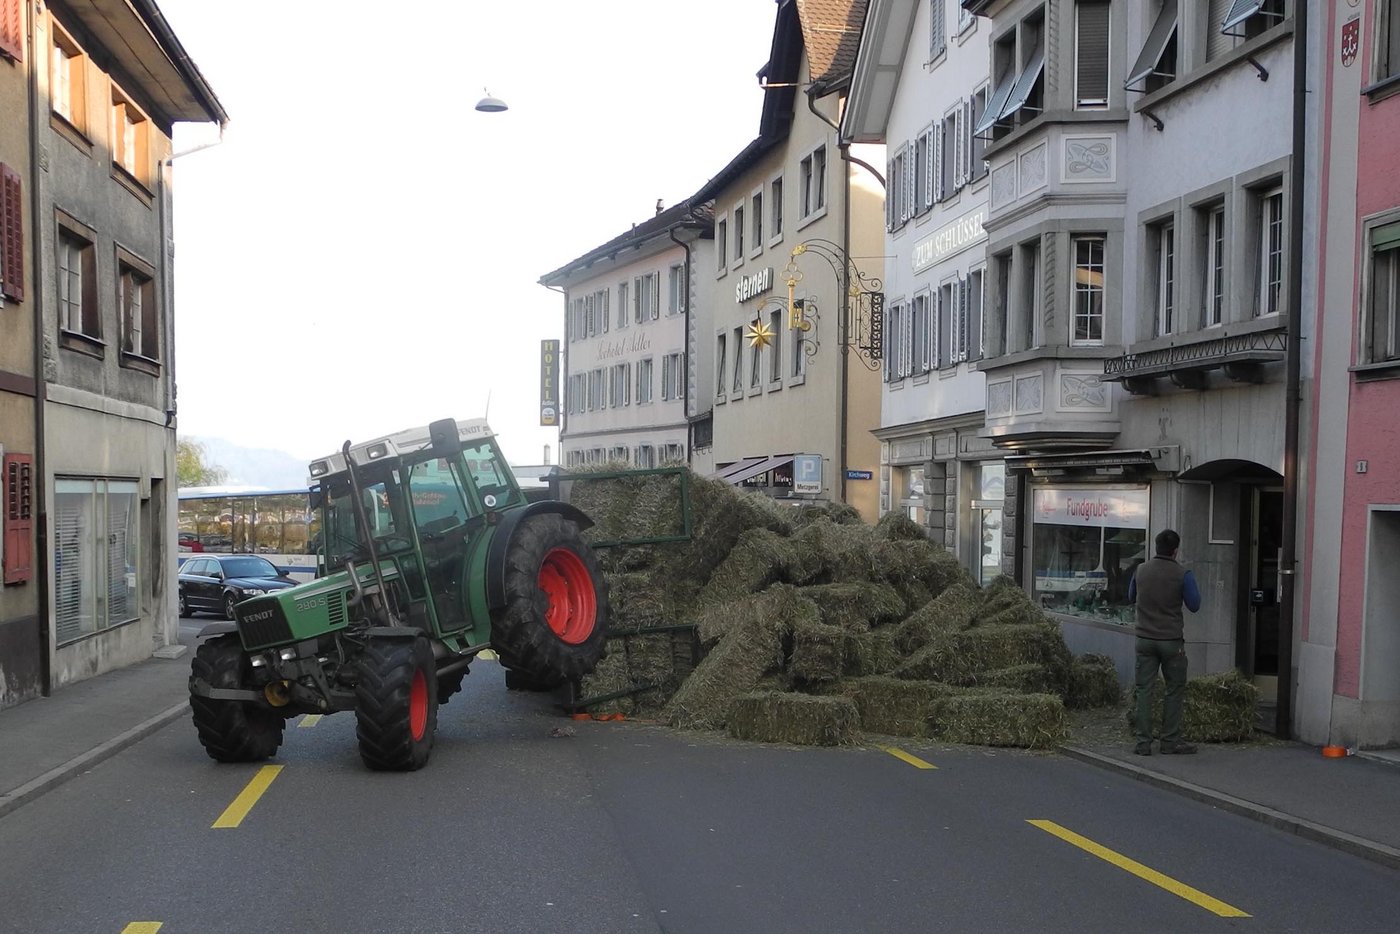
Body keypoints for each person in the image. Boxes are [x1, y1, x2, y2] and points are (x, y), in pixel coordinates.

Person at [1128, 529, 1201, 755]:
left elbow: (1131, 597)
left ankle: (1143, 743)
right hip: (1171, 641)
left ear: (1156, 547)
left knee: (1144, 690)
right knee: (1174, 689)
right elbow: (1195, 604)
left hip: (1145, 639)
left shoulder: (1140, 570)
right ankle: (1169, 741)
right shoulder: (1183, 574)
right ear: (1175, 550)